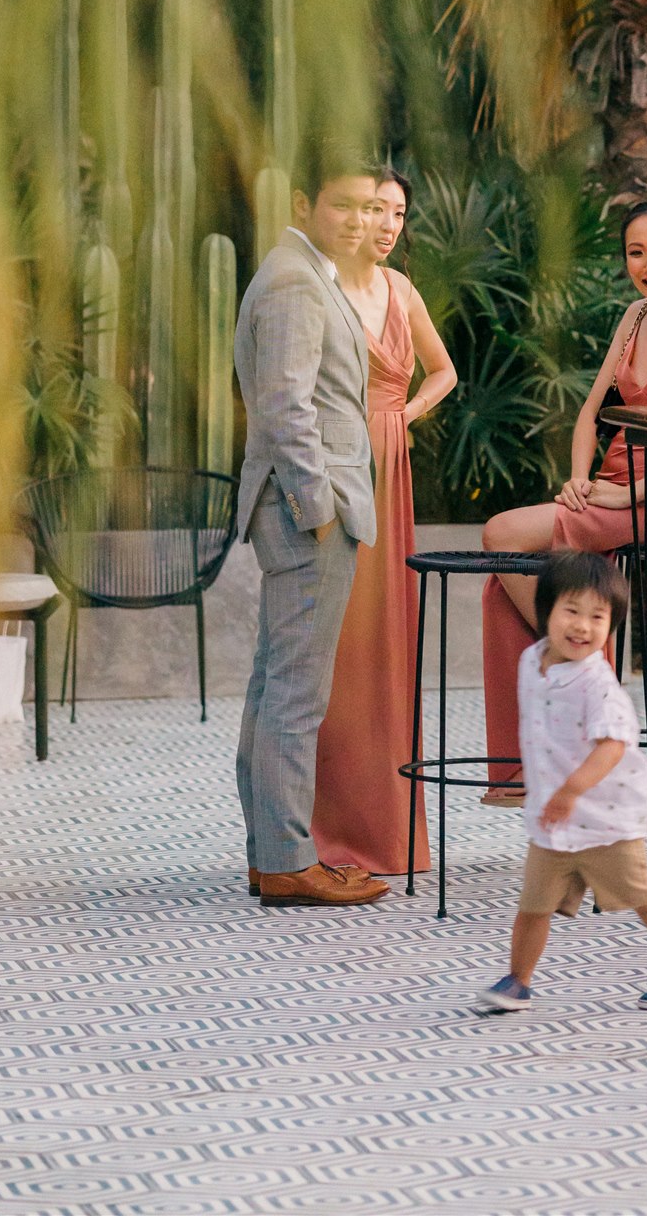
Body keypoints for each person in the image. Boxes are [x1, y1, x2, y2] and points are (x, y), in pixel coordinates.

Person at [480, 200, 647, 802]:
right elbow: (590, 412)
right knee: (505, 581)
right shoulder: (632, 317)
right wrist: (578, 476)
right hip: (609, 487)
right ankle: (525, 768)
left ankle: (589, 679)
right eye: (635, 252)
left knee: (500, 534)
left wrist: (627, 496)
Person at [233, 150, 388, 907]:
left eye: (369, 207)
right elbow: (285, 408)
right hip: (305, 516)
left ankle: (272, 853)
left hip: (299, 513)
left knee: (274, 685)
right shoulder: (295, 281)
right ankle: (290, 861)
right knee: (296, 694)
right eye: (343, 206)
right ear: (303, 204)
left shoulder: (303, 271)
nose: (359, 221)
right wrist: (319, 512)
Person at [475, 552, 647, 1014]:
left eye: (597, 617)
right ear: (545, 612)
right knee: (534, 904)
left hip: (607, 818)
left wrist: (571, 790)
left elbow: (612, 747)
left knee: (640, 893)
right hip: (553, 820)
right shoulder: (531, 661)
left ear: (612, 625)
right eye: (571, 611)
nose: (583, 626)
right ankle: (518, 980)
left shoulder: (598, 685)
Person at [311, 170, 458, 877]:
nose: (389, 222)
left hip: (388, 466)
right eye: (376, 209)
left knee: (384, 642)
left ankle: (388, 830)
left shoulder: (401, 291)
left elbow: (443, 372)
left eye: (399, 211)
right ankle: (324, 832)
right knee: (336, 646)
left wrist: (403, 416)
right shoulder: (317, 287)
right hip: (334, 468)